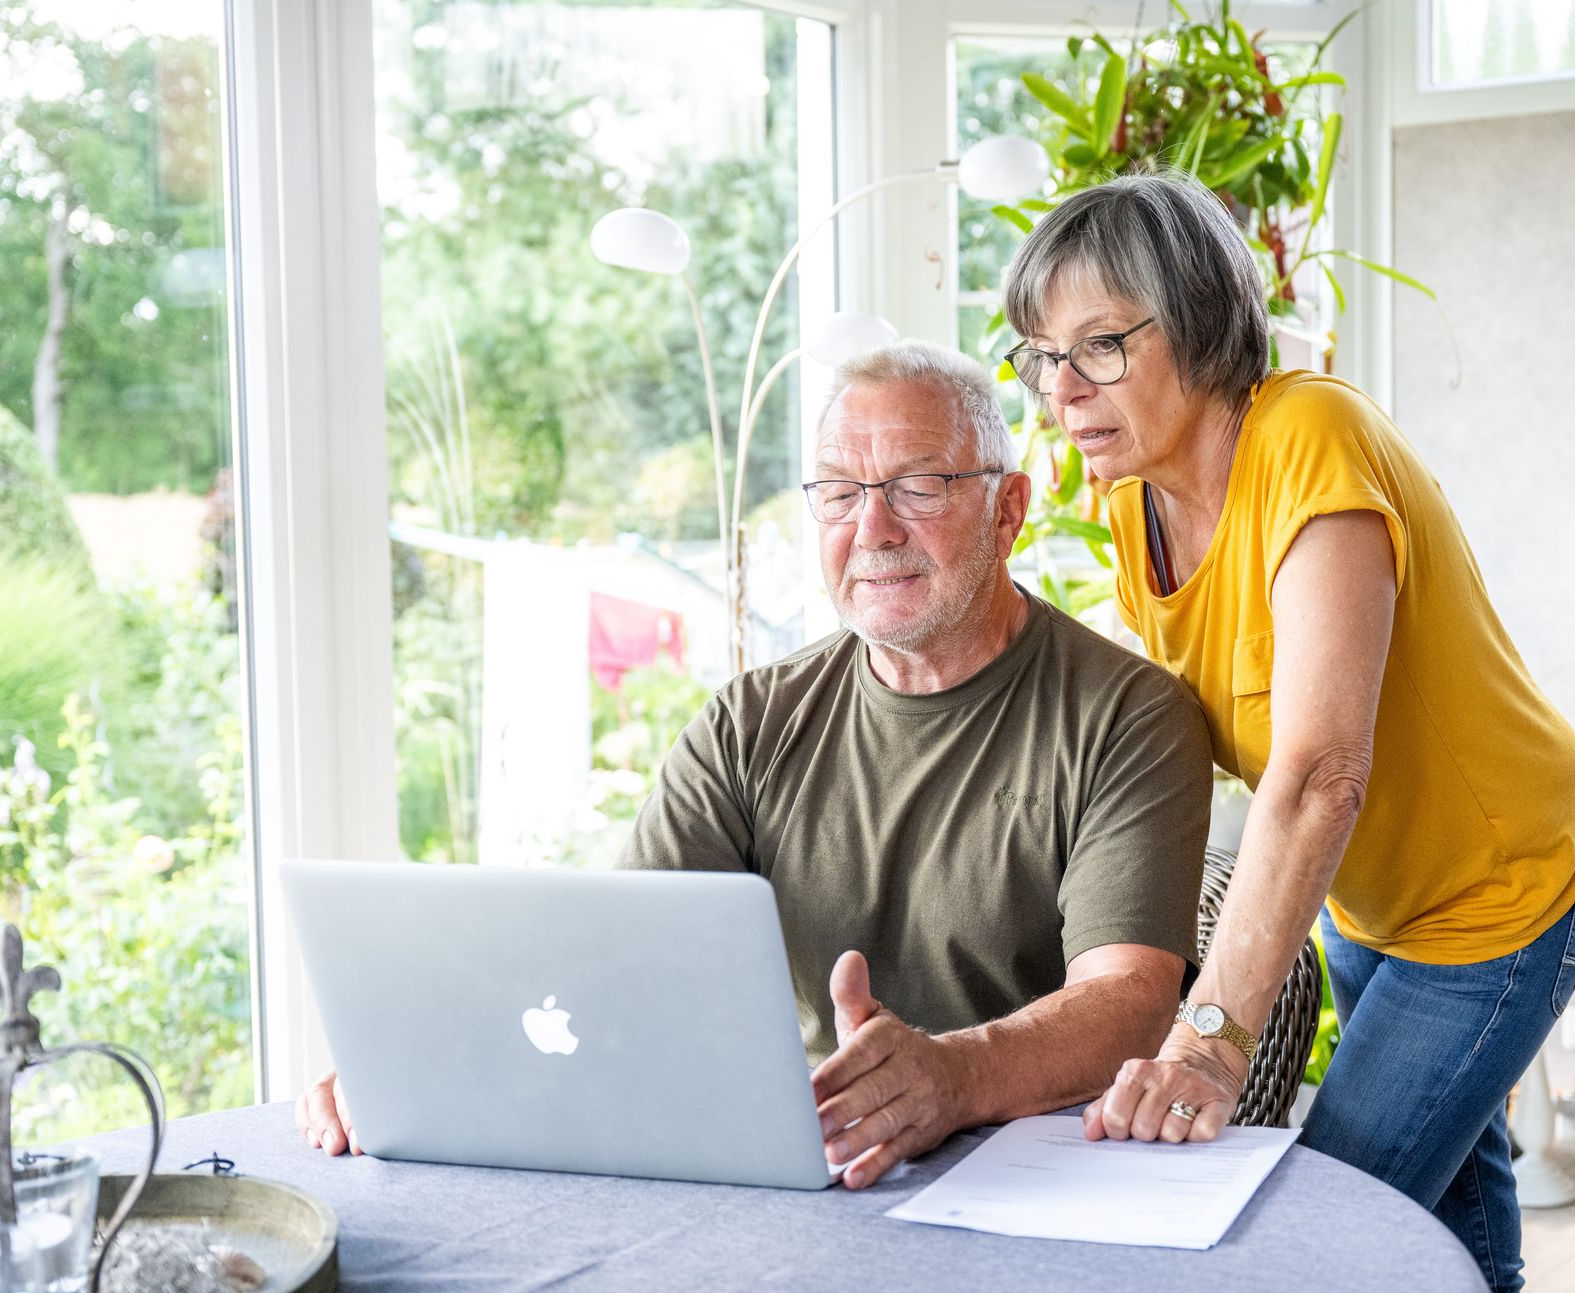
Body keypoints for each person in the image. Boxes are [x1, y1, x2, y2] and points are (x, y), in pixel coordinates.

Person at [295, 341, 1216, 1191]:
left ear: (1008, 509)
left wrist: (954, 1074)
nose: (874, 527)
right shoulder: (749, 722)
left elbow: (1128, 1002)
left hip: (1036, 1182)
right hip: (797, 1166)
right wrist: (425, 1057)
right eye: (840, 493)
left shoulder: (1129, 716)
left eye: (919, 486)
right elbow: (612, 960)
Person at [1000, 172, 1575, 1293]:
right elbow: (1177, 734)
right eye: (1038, 356)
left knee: (1328, 1225)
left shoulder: (1307, 440)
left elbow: (1319, 770)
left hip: (1497, 896)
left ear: (1201, 319)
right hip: (1368, 905)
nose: (1061, 389)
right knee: (1463, 1254)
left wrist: (1208, 1037)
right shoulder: (1138, 506)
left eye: (1099, 348)